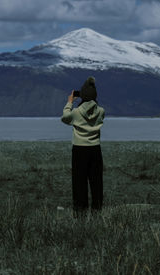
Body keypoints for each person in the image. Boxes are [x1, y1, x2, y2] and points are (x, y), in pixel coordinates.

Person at [61, 76, 105, 217]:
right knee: (96, 181)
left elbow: (65, 118)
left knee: (79, 182)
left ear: (83, 96)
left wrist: (70, 103)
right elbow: (94, 109)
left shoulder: (76, 112)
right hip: (95, 149)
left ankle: (80, 213)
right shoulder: (101, 111)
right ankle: (97, 212)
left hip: (79, 149)